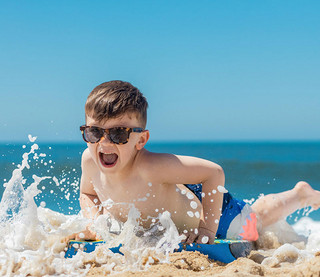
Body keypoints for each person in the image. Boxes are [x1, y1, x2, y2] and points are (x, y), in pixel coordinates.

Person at [69, 80, 320, 244]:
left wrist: (207, 229)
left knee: (257, 220)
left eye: (118, 134)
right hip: (168, 226)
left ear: (141, 140)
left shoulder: (150, 167)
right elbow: (87, 193)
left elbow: (214, 173)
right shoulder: (89, 161)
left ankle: (299, 194)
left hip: (211, 214)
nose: (104, 143)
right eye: (94, 132)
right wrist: (95, 225)